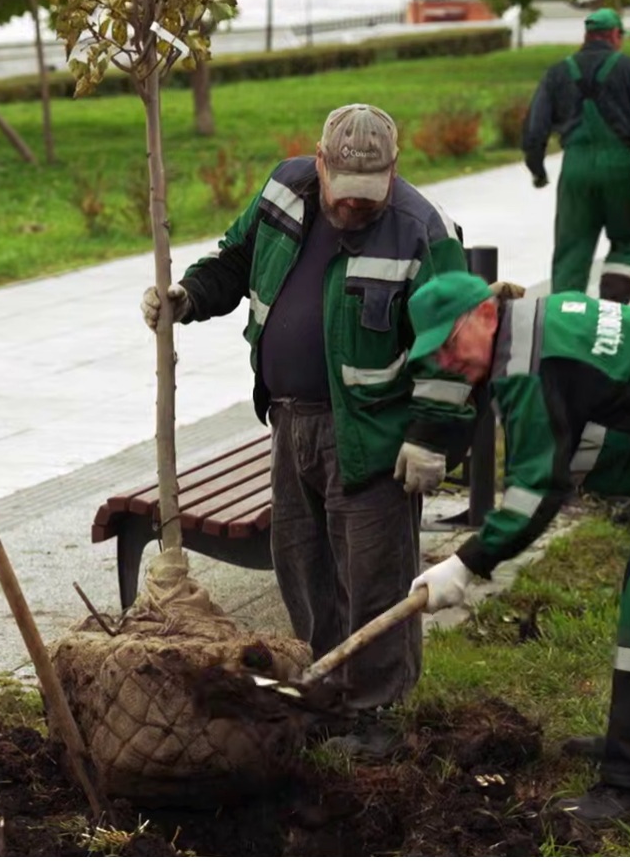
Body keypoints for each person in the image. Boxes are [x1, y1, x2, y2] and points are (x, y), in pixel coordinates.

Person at [140, 104, 475, 753]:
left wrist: (433, 438)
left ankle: (376, 714)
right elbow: (233, 262)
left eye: (367, 196)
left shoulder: (421, 232)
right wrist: (186, 298)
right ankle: (329, 697)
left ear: (393, 170)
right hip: (289, 419)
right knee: (302, 564)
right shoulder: (282, 193)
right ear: (318, 163)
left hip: (374, 436)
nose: (353, 207)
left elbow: (457, 346)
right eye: (342, 192)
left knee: (374, 575)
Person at [403, 272, 630, 829]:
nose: (448, 363)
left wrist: (467, 562)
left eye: (450, 345)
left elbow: (537, 490)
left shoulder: (529, 365)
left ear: (484, 313)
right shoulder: (536, 328)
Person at [522, 8, 630, 304]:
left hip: (575, 168)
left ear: (587, 36)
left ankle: (567, 327)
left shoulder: (558, 72)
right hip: (618, 167)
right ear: (615, 35)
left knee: (571, 250)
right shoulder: (629, 69)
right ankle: (611, 313)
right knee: (626, 242)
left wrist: (537, 169)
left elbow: (534, 129)